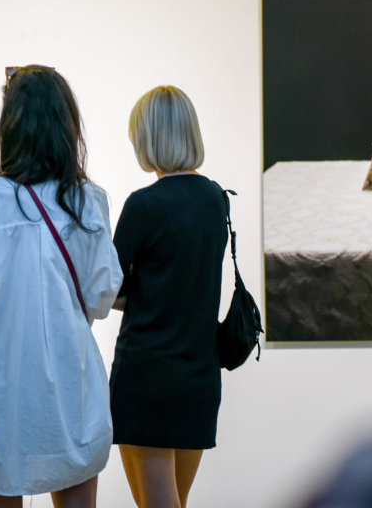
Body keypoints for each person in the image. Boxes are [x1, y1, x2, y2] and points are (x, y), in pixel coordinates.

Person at [0, 65, 124, 507]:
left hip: (1, 380)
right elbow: (101, 297)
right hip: (69, 376)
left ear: (10, 126)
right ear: (67, 125)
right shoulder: (87, 200)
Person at [109, 86, 226, 508]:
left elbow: (107, 288)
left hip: (147, 378)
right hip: (199, 377)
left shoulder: (144, 205)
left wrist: (142, 290)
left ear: (148, 138)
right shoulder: (216, 199)